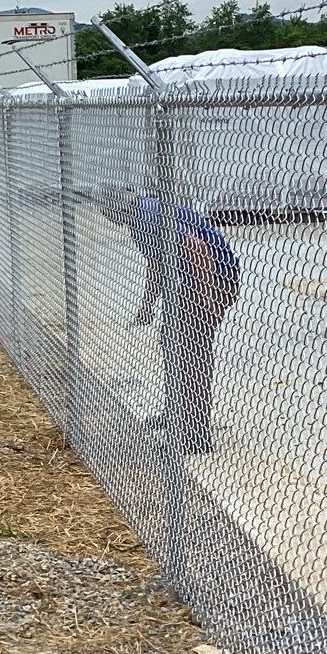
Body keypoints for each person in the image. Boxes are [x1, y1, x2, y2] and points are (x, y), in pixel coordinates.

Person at [100, 188, 241, 454]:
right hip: (188, 285)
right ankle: (176, 411)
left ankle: (194, 435)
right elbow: (157, 262)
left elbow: (198, 251)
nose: (105, 217)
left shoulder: (149, 218)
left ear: (116, 209)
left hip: (211, 280)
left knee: (192, 356)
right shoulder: (139, 218)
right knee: (173, 346)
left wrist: (207, 302)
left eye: (106, 210)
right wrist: (147, 305)